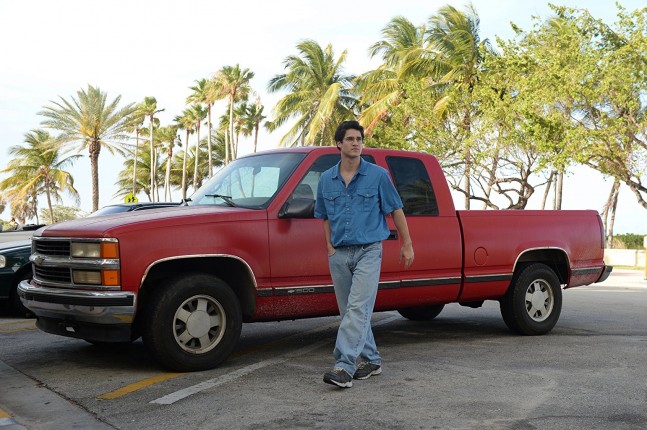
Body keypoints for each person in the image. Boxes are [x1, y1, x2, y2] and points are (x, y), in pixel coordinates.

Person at [314, 120, 414, 388]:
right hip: (339, 253)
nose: (356, 143)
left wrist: (407, 243)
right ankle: (371, 360)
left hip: (369, 251)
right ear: (339, 143)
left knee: (357, 308)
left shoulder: (378, 175)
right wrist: (329, 247)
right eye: (350, 139)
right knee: (351, 312)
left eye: (359, 139)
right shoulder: (326, 179)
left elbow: (396, 209)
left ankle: (344, 366)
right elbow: (324, 216)